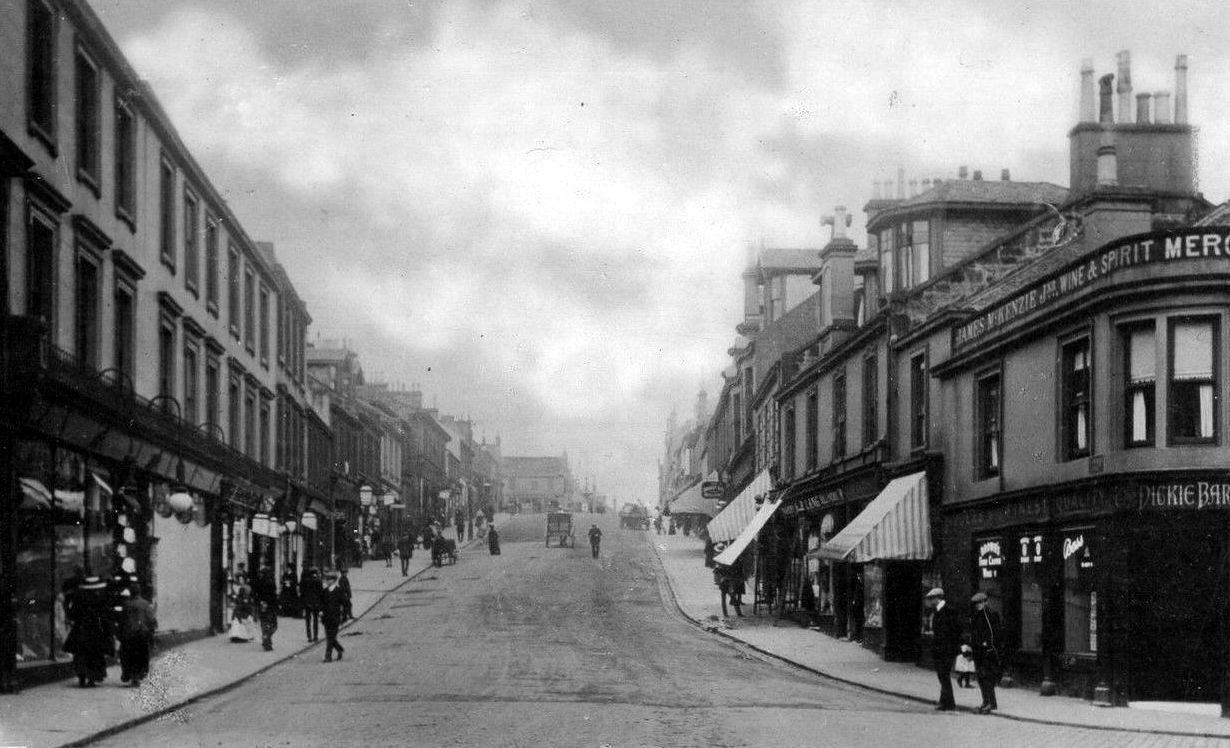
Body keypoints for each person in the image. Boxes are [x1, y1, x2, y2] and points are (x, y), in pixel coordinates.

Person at [63, 575, 114, 687]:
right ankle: (92, 678)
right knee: (95, 655)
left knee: (81, 655)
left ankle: (82, 677)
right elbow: (105, 616)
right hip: (96, 631)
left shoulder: (79, 597)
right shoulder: (100, 598)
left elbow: (73, 613)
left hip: (81, 630)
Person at [926, 587, 961, 711]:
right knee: (942, 675)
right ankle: (945, 702)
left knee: (944, 675)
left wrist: (951, 645)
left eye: (931, 599)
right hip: (939, 649)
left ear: (937, 598)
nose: (930, 601)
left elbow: (955, 630)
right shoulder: (936, 612)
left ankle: (949, 703)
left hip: (947, 650)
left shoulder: (949, 611)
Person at [970, 591, 1003, 714]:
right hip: (978, 652)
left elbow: (994, 633)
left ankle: (991, 703)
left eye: (980, 603)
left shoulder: (991, 615)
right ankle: (985, 701)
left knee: (987, 677)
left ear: (986, 602)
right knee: (981, 678)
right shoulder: (976, 616)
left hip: (987, 652)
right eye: (976, 603)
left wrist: (989, 647)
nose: (978, 605)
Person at [118, 585, 157, 687]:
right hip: (142, 634)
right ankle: (139, 676)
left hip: (129, 635)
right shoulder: (145, 604)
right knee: (142, 656)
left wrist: (121, 633)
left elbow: (122, 621)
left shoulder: (126, 604)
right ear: (139, 592)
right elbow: (150, 619)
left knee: (128, 655)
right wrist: (151, 630)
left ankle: (130, 675)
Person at [320, 570, 347, 663]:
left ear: (334, 580)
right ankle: (339, 649)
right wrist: (321, 612)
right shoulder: (324, 592)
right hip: (326, 618)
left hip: (335, 617)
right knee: (329, 637)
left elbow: (345, 604)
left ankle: (328, 656)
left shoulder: (339, 591)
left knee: (331, 637)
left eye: (329, 579)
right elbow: (322, 603)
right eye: (326, 579)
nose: (327, 581)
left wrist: (344, 616)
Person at [253, 565, 279, 651]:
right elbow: (274, 596)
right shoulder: (271, 583)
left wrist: (259, 602)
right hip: (271, 606)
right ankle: (267, 638)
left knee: (264, 624)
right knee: (274, 625)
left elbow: (255, 594)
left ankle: (266, 639)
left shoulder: (259, 582)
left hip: (262, 605)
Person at [300, 567, 323, 642]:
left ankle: (309, 637)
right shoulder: (319, 581)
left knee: (308, 621)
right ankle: (315, 636)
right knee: (315, 620)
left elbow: (302, 592)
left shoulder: (306, 581)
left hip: (307, 604)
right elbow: (321, 593)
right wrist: (321, 605)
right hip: (316, 604)